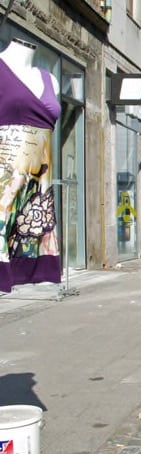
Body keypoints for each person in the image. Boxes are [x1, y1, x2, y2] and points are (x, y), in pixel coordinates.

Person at [0, 38, 62, 293]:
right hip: (6, 171)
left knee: (33, 225)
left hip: (40, 177)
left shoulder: (50, 80)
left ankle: (34, 269)